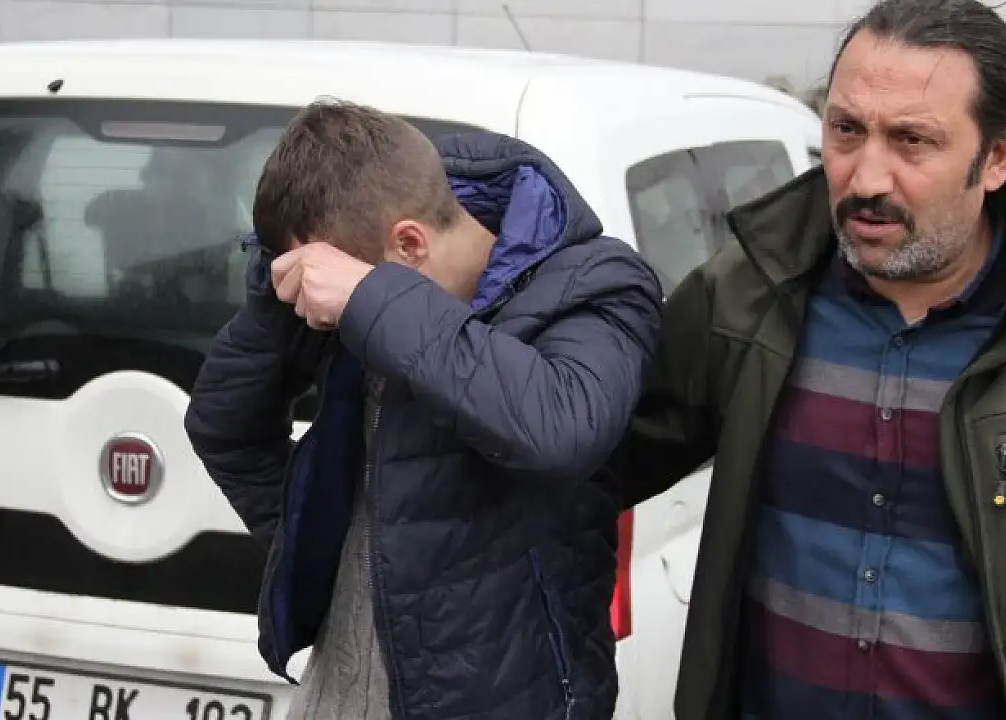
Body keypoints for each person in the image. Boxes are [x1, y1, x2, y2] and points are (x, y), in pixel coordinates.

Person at [613, 0, 1006, 718]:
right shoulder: (743, 298)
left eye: (912, 140)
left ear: (999, 156)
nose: (866, 178)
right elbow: (590, 464)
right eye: (846, 130)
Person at [183, 99, 661, 720]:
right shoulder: (364, 272)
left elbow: (560, 428)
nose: (322, 309)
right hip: (334, 696)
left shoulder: (596, 282)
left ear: (409, 242)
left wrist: (370, 297)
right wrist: (339, 549)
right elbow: (223, 427)